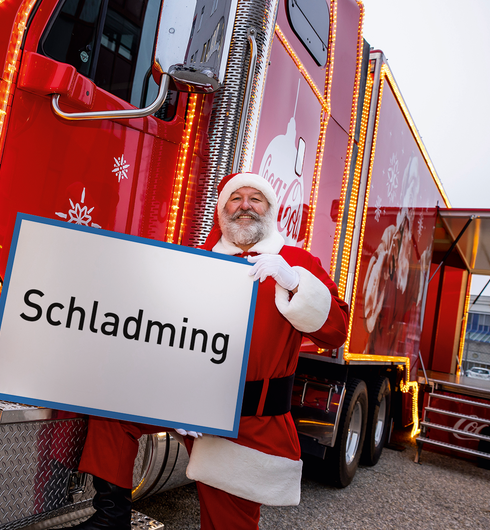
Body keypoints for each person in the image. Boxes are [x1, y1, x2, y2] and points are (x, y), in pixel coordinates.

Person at [73, 172, 349, 529]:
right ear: (222, 210)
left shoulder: (296, 262)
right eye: (236, 198)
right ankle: (111, 517)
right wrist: (178, 399)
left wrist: (296, 283)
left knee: (228, 522)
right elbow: (164, 332)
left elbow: (337, 332)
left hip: (250, 420)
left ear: (270, 209)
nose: (245, 206)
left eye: (256, 198)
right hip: (189, 406)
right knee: (111, 405)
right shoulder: (196, 259)